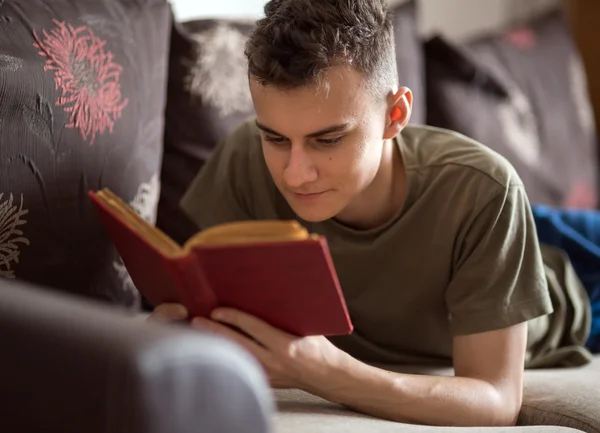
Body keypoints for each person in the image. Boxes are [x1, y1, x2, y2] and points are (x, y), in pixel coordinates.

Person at [149, 0, 592, 427]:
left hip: (574, 282)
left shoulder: (484, 193)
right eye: (276, 138)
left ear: (395, 114)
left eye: (328, 140)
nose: (295, 174)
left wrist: (324, 374)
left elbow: (497, 401)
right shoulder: (244, 158)